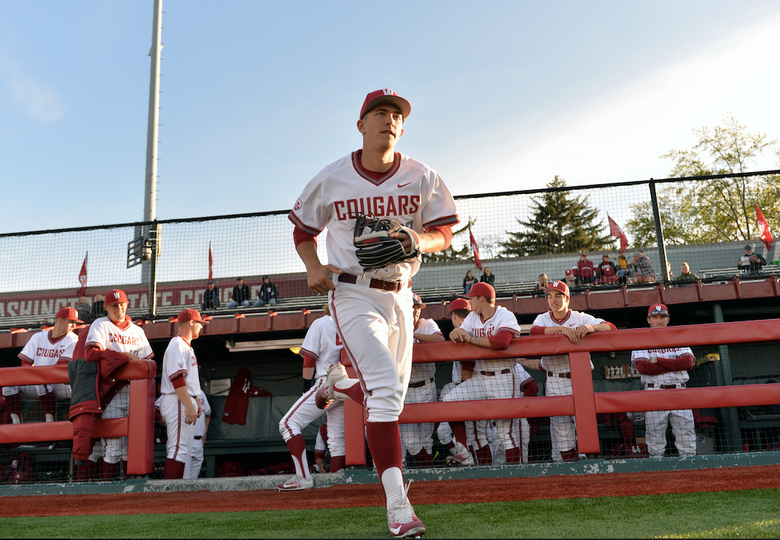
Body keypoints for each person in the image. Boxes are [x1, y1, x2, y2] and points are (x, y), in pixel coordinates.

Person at [288, 88, 458, 537]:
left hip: (402, 294)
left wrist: (420, 241)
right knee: (383, 388)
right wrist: (312, 267)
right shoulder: (333, 177)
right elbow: (304, 230)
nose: (390, 120)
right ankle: (399, 507)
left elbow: (444, 232)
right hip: (353, 292)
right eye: (380, 113)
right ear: (361, 125)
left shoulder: (422, 175)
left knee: (392, 401)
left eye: (397, 115)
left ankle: (340, 383)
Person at [519, 280, 615, 462]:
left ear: (567, 299)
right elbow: (534, 332)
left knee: (584, 426)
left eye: (558, 295)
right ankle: (571, 469)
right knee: (562, 430)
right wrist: (562, 329)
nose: (553, 300)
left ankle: (588, 470)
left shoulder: (580, 317)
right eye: (549, 296)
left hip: (580, 378)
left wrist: (591, 327)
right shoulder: (543, 318)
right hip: (555, 379)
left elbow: (611, 327)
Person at [445, 282, 524, 466]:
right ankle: (465, 453)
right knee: (449, 403)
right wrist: (456, 333)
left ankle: (517, 480)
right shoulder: (473, 317)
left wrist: (472, 339)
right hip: (480, 377)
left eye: (471, 298)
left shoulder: (504, 314)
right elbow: (461, 332)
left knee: (506, 433)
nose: (470, 302)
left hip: (503, 377)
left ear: (481, 298)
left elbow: (503, 340)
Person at [85, 289, 154, 479]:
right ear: (106, 307)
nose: (119, 308)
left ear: (127, 304)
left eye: (122, 304)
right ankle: (108, 490)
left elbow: (148, 363)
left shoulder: (137, 330)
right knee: (114, 446)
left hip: (136, 391)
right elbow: (90, 354)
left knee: (132, 446)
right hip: (111, 390)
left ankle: (126, 491)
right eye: (114, 305)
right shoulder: (101, 324)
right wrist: (124, 356)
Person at [277, 304, 345, 491]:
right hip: (347, 384)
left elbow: (309, 360)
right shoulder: (351, 322)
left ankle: (303, 477)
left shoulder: (321, 323)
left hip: (327, 381)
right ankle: (338, 485)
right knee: (337, 439)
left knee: (288, 424)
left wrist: (306, 388)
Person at [630, 304, 696, 458]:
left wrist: (657, 360)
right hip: (655, 390)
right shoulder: (641, 339)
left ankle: (691, 470)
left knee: (686, 432)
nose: (659, 321)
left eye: (662, 317)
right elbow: (643, 368)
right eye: (655, 317)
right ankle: (657, 471)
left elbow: (687, 363)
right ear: (648, 320)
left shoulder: (677, 336)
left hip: (679, 390)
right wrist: (674, 365)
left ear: (668, 319)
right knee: (654, 434)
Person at [2, 307, 82, 424]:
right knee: (8, 385)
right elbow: (25, 363)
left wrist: (37, 376)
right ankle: (16, 422)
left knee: (42, 382)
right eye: (71, 322)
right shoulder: (38, 337)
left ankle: (50, 420)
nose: (74, 326)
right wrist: (32, 376)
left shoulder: (74, 340)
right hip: (40, 382)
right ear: (60, 320)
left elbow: (60, 367)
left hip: (63, 385)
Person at [159, 308, 209, 479]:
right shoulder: (177, 344)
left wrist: (195, 400)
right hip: (177, 400)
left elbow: (186, 380)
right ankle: (170, 494)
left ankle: (176, 494)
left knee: (183, 452)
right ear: (191, 322)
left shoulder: (186, 346)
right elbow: (177, 378)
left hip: (183, 400)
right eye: (200, 324)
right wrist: (188, 404)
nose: (201, 327)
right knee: (178, 451)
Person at [401, 294, 444, 468]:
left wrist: (411, 333)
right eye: (412, 307)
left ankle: (427, 481)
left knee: (426, 439)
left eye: (417, 308)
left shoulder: (428, 324)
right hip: (406, 390)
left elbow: (440, 340)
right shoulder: (395, 327)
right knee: (410, 441)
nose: (415, 311)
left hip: (427, 386)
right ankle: (430, 470)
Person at [184, 392, 211, 479]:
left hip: (199, 442)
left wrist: (205, 432)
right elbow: (156, 409)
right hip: (185, 441)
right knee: (185, 481)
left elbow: (208, 413)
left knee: (193, 481)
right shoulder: (178, 390)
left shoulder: (201, 392)